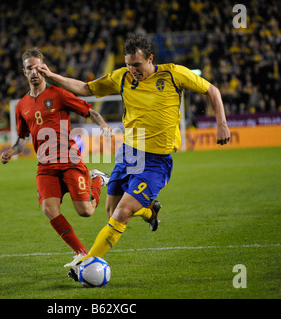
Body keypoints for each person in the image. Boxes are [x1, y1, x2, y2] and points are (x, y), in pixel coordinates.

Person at [35, 35, 231, 281]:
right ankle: (150, 212)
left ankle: (85, 264)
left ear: (150, 59)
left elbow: (212, 90)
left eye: (137, 64)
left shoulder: (173, 74)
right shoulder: (122, 77)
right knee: (112, 211)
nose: (132, 70)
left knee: (122, 212)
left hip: (156, 160)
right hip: (129, 151)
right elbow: (87, 89)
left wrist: (221, 124)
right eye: (128, 64)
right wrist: (52, 76)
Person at [0, 48, 113, 267]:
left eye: (38, 67)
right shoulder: (22, 105)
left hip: (69, 161)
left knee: (86, 211)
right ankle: (82, 253)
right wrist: (11, 152)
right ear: (24, 72)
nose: (34, 72)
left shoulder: (58, 94)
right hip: (46, 166)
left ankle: (98, 179)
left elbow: (88, 111)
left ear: (45, 68)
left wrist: (104, 125)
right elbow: (22, 138)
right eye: (29, 68)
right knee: (49, 209)